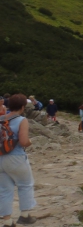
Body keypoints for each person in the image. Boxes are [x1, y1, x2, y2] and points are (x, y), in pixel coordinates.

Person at [0, 94, 37, 225]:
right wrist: (30, 142)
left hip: (1, 158)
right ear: (22, 107)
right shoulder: (22, 120)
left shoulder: (1, 118)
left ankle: (7, 221)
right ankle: (25, 216)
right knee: (25, 185)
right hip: (16, 158)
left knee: (4, 190)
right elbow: (23, 141)